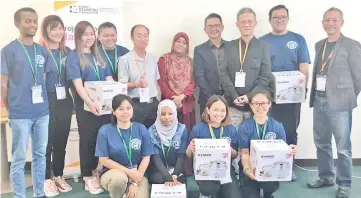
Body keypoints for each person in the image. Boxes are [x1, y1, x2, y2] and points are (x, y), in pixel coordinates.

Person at [307, 7, 361, 198]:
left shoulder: (352, 45)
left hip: (340, 104)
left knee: (343, 147)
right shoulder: (319, 44)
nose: (330, 23)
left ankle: (344, 184)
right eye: (327, 20)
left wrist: (345, 96)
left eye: (334, 20)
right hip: (319, 101)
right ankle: (326, 176)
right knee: (321, 143)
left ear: (342, 23)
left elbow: (358, 78)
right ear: (322, 23)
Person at [1, 7, 55, 198]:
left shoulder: (42, 51)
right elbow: (3, 84)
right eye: (27, 21)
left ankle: (39, 194)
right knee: (19, 159)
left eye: (34, 21)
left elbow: (46, 78)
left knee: (40, 156)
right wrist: (11, 108)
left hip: (42, 113)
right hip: (20, 114)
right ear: (17, 24)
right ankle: (19, 196)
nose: (32, 24)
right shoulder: (8, 50)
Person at [259, 4, 311, 181]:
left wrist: (302, 90)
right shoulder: (262, 41)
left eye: (282, 17)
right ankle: (268, 165)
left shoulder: (298, 39)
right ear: (270, 20)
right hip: (268, 97)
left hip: (291, 97)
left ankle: (289, 167)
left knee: (290, 130)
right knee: (268, 131)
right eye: (275, 17)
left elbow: (304, 68)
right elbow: (259, 70)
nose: (279, 20)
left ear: (287, 18)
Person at [67, 21, 114, 194]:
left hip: (103, 106)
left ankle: (97, 171)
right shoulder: (74, 56)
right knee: (87, 140)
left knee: (101, 138)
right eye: (85, 34)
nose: (89, 37)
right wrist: (90, 102)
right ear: (78, 36)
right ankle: (87, 175)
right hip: (86, 106)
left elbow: (109, 77)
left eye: (91, 34)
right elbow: (78, 85)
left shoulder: (99, 53)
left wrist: (115, 93)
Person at [238, 90, 297, 198]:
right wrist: (247, 169)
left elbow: (281, 151)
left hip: (269, 168)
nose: (260, 107)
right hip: (250, 167)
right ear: (251, 105)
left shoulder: (278, 127)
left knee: (270, 186)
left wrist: (289, 150)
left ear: (269, 104)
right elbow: (245, 153)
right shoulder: (244, 127)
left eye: (264, 103)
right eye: (256, 103)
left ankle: (268, 193)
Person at [219, 7, 272, 129]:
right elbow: (223, 73)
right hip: (232, 104)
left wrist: (249, 97)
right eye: (243, 22)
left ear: (255, 23)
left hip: (255, 106)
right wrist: (234, 96)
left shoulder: (263, 47)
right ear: (237, 24)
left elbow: (265, 76)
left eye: (249, 21)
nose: (246, 25)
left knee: (253, 141)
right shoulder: (229, 46)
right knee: (232, 141)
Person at [39, 15, 74, 196]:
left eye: (61, 28)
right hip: (46, 100)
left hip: (65, 101)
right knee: (47, 142)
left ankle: (58, 175)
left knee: (61, 141)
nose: (58, 32)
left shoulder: (67, 52)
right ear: (45, 30)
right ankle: (46, 178)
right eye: (54, 28)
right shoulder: (39, 51)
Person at [96, 94, 152, 198]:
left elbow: (146, 157)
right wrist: (129, 172)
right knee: (119, 179)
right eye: (120, 109)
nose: (125, 112)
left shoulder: (141, 129)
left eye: (128, 108)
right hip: (113, 173)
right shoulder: (105, 131)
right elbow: (103, 160)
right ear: (113, 111)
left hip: (137, 174)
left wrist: (135, 182)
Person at [186, 95, 242, 198]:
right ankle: (206, 194)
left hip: (225, 170)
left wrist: (228, 149)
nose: (219, 114)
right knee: (209, 189)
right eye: (215, 110)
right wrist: (191, 147)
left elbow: (234, 155)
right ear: (208, 110)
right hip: (205, 170)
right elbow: (189, 155)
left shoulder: (231, 129)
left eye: (222, 110)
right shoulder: (198, 129)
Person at [118, 24, 159, 128]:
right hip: (136, 105)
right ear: (132, 38)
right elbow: (121, 85)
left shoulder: (153, 58)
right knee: (136, 137)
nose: (143, 39)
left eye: (145, 35)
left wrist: (159, 101)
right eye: (139, 36)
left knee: (152, 138)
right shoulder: (124, 59)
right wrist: (137, 84)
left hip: (153, 104)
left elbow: (156, 82)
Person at [157, 32, 196, 134]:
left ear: (187, 46)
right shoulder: (164, 60)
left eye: (184, 42)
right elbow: (161, 81)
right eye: (178, 41)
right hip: (168, 103)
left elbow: (194, 82)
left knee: (185, 133)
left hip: (186, 102)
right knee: (168, 133)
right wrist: (173, 98)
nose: (180, 44)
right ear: (173, 43)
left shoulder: (192, 62)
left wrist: (182, 97)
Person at [193, 13, 227, 115]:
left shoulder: (232, 47)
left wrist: (229, 94)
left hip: (229, 99)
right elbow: (199, 76)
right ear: (205, 30)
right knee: (207, 129)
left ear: (222, 27)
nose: (213, 29)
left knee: (226, 129)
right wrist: (213, 98)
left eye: (216, 25)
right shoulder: (199, 50)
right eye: (210, 26)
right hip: (207, 100)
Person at [148, 99, 188, 185]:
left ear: (175, 113)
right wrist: (168, 177)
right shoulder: (152, 131)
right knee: (159, 178)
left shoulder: (181, 129)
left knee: (181, 178)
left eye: (170, 114)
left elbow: (181, 156)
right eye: (163, 114)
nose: (166, 117)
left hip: (176, 169)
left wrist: (174, 175)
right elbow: (155, 158)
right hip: (158, 170)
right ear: (158, 114)